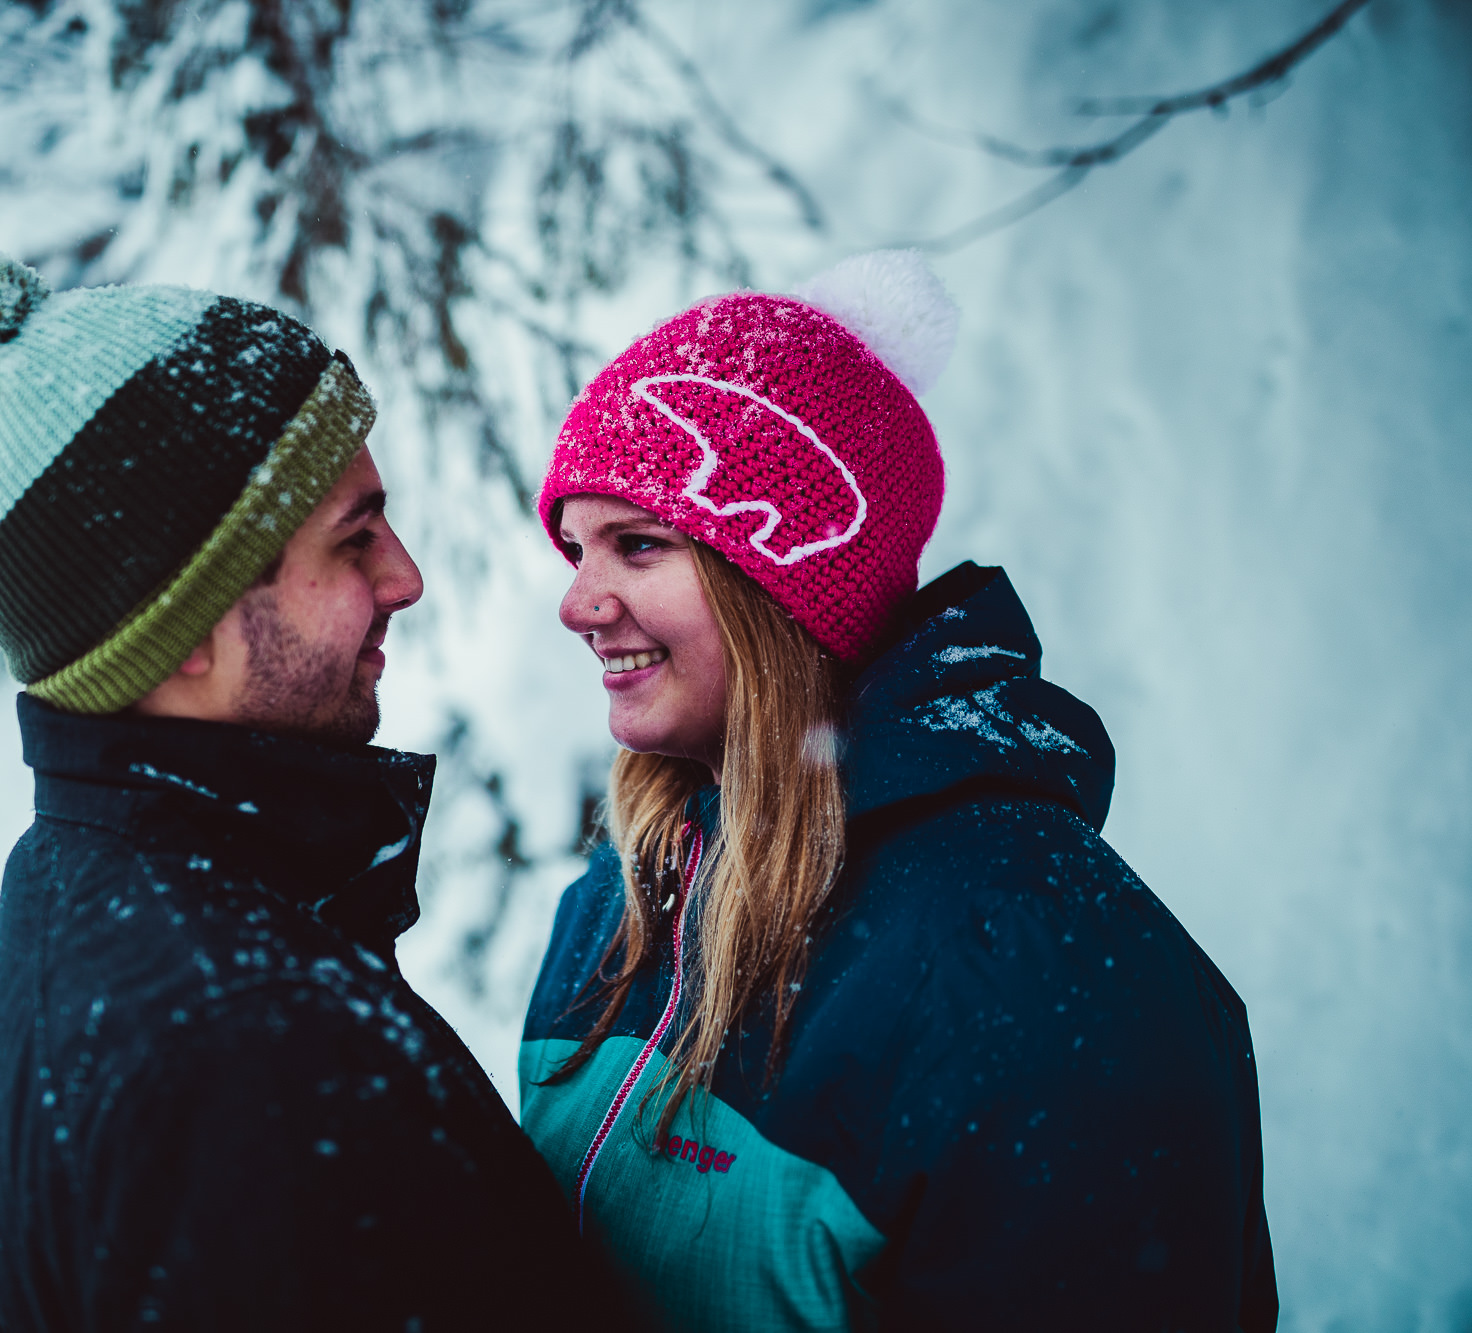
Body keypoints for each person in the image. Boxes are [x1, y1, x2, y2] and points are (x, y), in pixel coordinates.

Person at [518, 251, 1278, 1331]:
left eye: (636, 546)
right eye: (575, 549)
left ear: (784, 583)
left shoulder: (1032, 955)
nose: (577, 601)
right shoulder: (622, 895)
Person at [0, 252, 629, 1330]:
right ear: (182, 620)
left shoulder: (87, 879)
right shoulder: (255, 1052)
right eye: (352, 538)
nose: (404, 577)